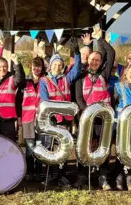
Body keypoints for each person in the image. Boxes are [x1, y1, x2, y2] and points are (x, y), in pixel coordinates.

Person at [73, 25, 115, 190]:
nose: (95, 62)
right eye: (92, 59)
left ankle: (103, 177)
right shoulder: (80, 76)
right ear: (88, 61)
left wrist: (100, 39)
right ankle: (82, 176)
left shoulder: (104, 75)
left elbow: (111, 53)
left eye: (98, 60)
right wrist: (87, 113)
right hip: (86, 117)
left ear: (100, 63)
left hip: (102, 118)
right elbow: (78, 98)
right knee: (84, 146)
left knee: (102, 147)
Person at [39, 37, 82, 188]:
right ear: (50, 67)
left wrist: (77, 51)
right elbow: (45, 102)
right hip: (52, 121)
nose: (57, 67)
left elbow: (77, 68)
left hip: (64, 120)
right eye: (55, 64)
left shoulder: (67, 79)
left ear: (63, 67)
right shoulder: (44, 81)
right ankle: (52, 176)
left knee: (64, 149)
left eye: (60, 65)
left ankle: (61, 176)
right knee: (51, 148)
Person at [20, 57, 46, 182]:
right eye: (34, 66)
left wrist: (43, 56)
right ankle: (29, 172)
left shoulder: (45, 81)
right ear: (30, 67)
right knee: (30, 148)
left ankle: (39, 172)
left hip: (42, 119)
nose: (37, 69)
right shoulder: (25, 82)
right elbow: (18, 100)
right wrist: (19, 118)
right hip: (28, 118)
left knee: (40, 146)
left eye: (39, 66)